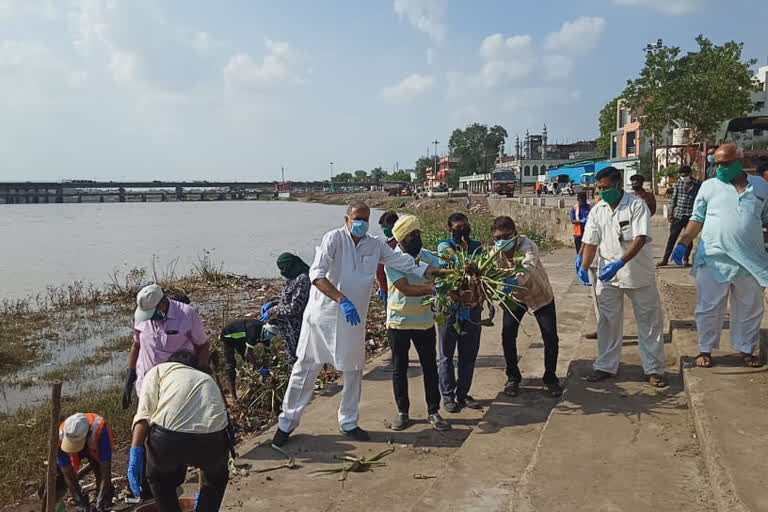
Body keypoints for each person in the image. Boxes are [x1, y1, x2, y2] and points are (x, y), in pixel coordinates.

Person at [273, 202, 437, 446]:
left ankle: (348, 422)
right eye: (357, 218)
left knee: (353, 370)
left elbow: (402, 262)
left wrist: (438, 273)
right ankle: (286, 425)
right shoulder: (334, 239)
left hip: (353, 319)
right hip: (322, 317)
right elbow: (316, 275)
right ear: (347, 219)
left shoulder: (374, 244)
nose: (361, 222)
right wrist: (341, 299)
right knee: (305, 368)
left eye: (366, 218)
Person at [671, 143, 768, 368]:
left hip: (751, 260)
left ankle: (745, 349)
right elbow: (697, 218)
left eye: (726, 163)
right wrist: (684, 242)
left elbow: (764, 218)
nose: (720, 168)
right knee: (709, 307)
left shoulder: (761, 187)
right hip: (714, 258)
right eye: (717, 164)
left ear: (740, 162)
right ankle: (705, 350)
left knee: (750, 308)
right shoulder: (708, 187)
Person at [577, 166, 666, 388]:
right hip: (608, 275)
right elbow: (590, 241)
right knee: (607, 321)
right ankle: (606, 365)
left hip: (637, 273)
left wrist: (621, 262)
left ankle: (653, 369)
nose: (601, 191)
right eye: (598, 188)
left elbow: (640, 238)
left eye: (605, 187)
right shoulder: (598, 210)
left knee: (649, 322)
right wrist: (583, 265)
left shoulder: (637, 206)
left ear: (618, 184)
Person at [127, 351, 230, 512]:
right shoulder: (206, 378)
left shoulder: (159, 370)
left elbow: (143, 416)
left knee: (159, 479)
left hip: (167, 441)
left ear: (172, 361)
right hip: (213, 442)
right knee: (215, 479)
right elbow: (212, 423)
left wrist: (135, 452)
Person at [384, 215, 449, 431]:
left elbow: (443, 273)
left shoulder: (429, 258)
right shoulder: (392, 260)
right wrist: (431, 289)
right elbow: (405, 288)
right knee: (399, 369)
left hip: (424, 321)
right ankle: (403, 412)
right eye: (412, 235)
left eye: (417, 233)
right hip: (398, 321)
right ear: (401, 238)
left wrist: (457, 271)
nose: (416, 237)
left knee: (430, 367)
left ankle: (434, 411)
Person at [491, 216, 562, 398]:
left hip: (539, 294)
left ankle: (550, 377)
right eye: (498, 238)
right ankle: (513, 377)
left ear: (515, 234)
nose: (502, 241)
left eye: (506, 237)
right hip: (515, 296)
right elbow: (488, 270)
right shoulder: (495, 251)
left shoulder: (528, 246)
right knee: (508, 335)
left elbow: (528, 267)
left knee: (550, 336)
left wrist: (513, 280)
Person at [123, 284, 209, 409]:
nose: (151, 318)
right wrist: (130, 378)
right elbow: (136, 345)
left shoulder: (187, 314)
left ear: (163, 302)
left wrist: (202, 376)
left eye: (152, 313)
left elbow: (203, 346)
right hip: (146, 386)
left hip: (178, 387)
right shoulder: (141, 317)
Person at [436, 213, 484, 412]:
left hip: (472, 308)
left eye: (465, 226)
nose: (462, 230)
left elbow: (482, 268)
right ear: (450, 229)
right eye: (458, 227)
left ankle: (463, 394)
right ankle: (448, 396)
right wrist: (461, 259)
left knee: (468, 354)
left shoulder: (477, 246)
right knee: (446, 354)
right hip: (449, 307)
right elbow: (449, 255)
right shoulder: (444, 245)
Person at [258, 253, 312, 363]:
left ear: (292, 266)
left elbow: (295, 308)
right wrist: (273, 303)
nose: (282, 272)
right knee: (291, 358)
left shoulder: (303, 279)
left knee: (299, 359)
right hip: (288, 329)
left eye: (283, 269)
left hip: (297, 328)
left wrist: (273, 310)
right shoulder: (292, 278)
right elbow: (287, 300)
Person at [57, 413, 114, 512]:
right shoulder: (60, 437)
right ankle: (81, 501)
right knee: (66, 475)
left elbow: (106, 470)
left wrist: (100, 499)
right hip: (80, 440)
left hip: (94, 440)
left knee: (98, 468)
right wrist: (79, 500)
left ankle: (103, 497)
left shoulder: (100, 430)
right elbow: (67, 472)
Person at [220, 319, 277, 400]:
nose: (271, 337)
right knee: (231, 365)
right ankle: (233, 396)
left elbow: (267, 351)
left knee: (249, 361)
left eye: (273, 335)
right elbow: (248, 353)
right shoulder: (254, 331)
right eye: (271, 334)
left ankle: (251, 386)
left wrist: (271, 364)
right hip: (229, 335)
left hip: (242, 338)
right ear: (266, 331)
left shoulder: (266, 335)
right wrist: (259, 368)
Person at [658, 166, 700, 267]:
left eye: (685, 175)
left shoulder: (698, 184)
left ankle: (685, 259)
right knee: (672, 237)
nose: (683, 177)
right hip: (678, 215)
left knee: (688, 238)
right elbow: (673, 200)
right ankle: (665, 259)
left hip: (691, 215)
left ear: (689, 174)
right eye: (681, 175)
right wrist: (670, 213)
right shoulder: (678, 184)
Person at [375, 211, 399, 303]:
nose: (383, 229)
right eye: (382, 227)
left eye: (385, 226)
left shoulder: (397, 244)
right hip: (384, 287)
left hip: (392, 289)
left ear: (394, 225)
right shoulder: (387, 243)